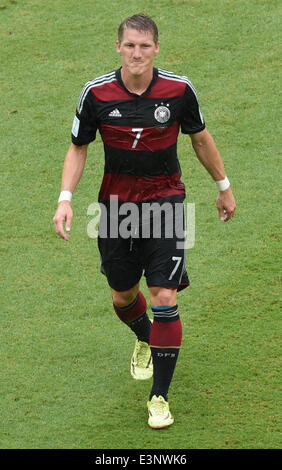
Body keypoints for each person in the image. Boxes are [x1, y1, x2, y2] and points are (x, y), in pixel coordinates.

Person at [53, 13, 236, 429]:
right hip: (116, 208)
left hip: (166, 202)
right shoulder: (96, 93)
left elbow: (200, 138)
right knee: (122, 296)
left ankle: (159, 397)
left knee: (165, 297)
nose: (137, 53)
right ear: (118, 47)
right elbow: (78, 147)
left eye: (145, 45)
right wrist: (65, 200)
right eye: (130, 45)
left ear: (156, 48)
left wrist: (223, 186)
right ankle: (145, 339)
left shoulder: (179, 90)